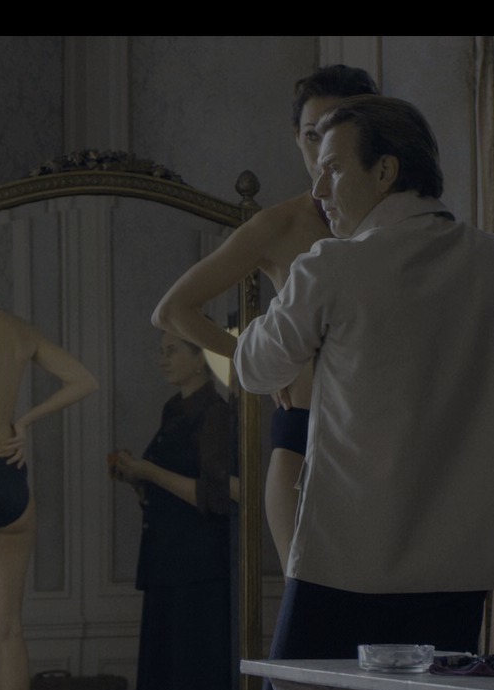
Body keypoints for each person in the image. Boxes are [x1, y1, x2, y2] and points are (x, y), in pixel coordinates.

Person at [230, 96, 494, 690]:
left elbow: (253, 366)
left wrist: (292, 300)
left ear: (386, 171)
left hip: (347, 555)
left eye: (332, 169)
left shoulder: (334, 265)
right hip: (458, 561)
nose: (318, 190)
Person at [152, 65, 380, 576]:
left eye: (337, 131)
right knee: (312, 613)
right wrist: (260, 361)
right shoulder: (280, 225)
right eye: (312, 134)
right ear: (296, 137)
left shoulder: (397, 225)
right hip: (303, 439)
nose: (323, 149)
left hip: (386, 441)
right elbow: (172, 309)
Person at [0, 240, 98, 690]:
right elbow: (84, 380)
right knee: (8, 629)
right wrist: (23, 421)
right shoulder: (16, 329)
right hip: (11, 479)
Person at [110, 333, 238, 690]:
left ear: (200, 359)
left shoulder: (215, 412)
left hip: (201, 571)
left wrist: (149, 472)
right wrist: (139, 481)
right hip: (171, 565)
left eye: (172, 351)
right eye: (160, 350)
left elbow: (219, 497)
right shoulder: (175, 410)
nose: (162, 359)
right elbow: (173, 493)